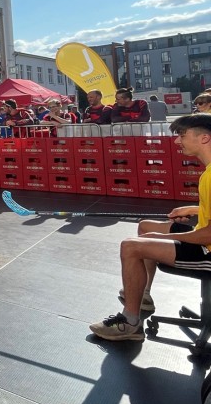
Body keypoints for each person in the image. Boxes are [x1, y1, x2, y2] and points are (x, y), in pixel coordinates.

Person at [89, 113, 211, 342]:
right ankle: (143, 294)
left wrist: (164, 238)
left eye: (182, 135)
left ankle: (130, 323)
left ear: (204, 138)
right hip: (205, 237)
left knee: (131, 246)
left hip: (207, 251)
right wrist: (194, 209)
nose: (177, 141)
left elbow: (209, 235)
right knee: (145, 227)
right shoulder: (208, 171)